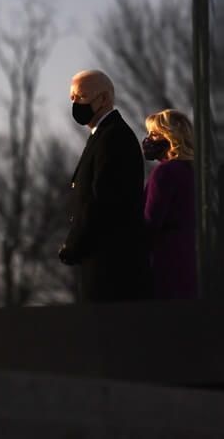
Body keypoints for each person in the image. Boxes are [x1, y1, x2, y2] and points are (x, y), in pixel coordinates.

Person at [58, 70, 150, 302]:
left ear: (103, 99)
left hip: (111, 266)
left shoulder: (114, 137)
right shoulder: (103, 135)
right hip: (101, 262)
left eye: (81, 96)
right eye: (72, 98)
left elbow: (105, 200)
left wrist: (75, 243)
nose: (76, 103)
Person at [142, 110, 198, 299]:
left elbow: (150, 222)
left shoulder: (165, 173)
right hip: (190, 264)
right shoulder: (193, 172)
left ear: (171, 137)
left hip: (165, 265)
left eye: (154, 134)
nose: (148, 139)